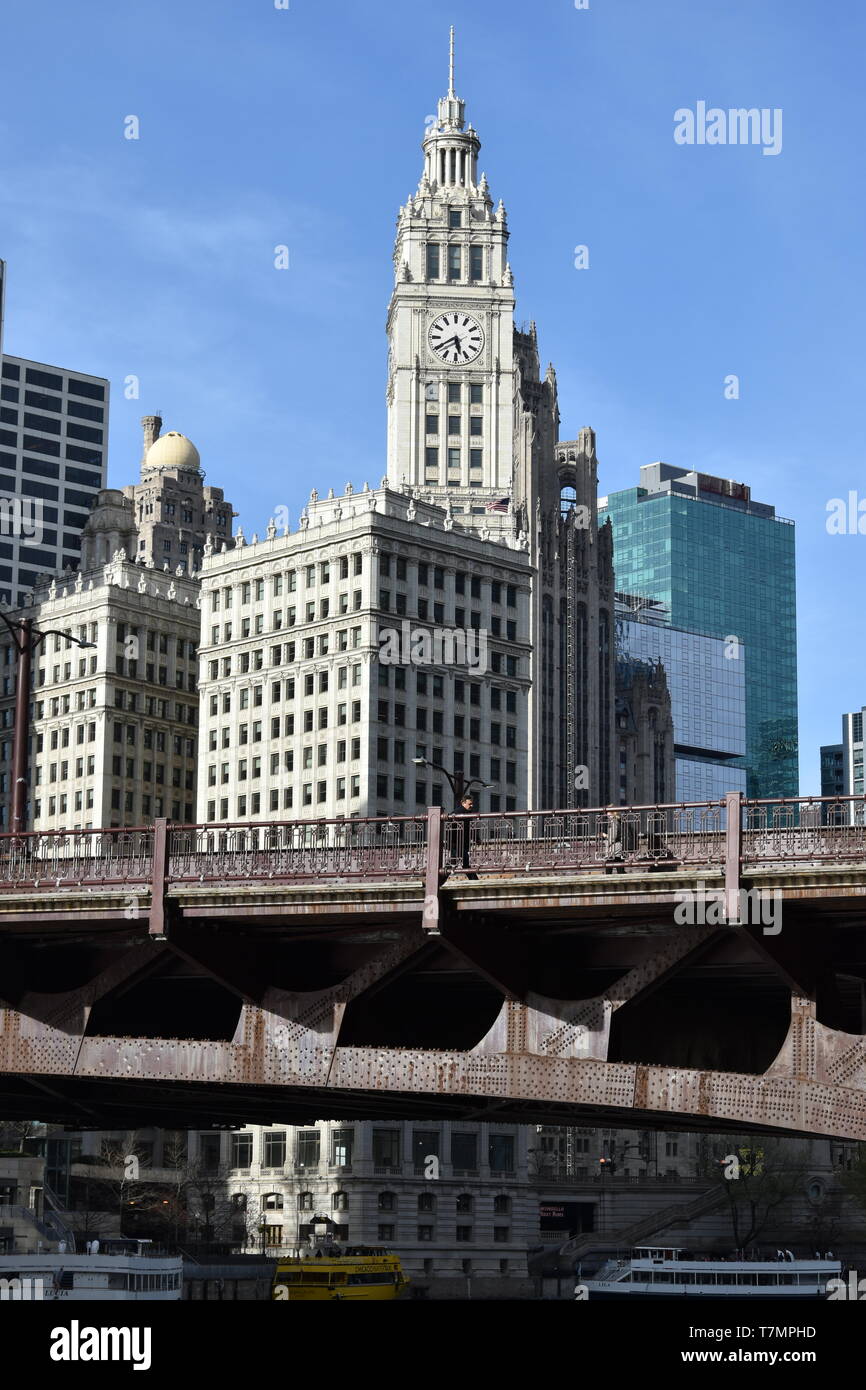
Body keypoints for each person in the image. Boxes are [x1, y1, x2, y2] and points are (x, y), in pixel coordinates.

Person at [455, 792, 478, 880]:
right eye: (469, 804)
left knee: (453, 863)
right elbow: (451, 828)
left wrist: (476, 837)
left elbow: (470, 828)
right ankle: (475, 881)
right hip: (458, 843)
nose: (471, 805)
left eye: (472, 803)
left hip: (461, 843)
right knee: (463, 863)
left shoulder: (467, 812)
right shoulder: (458, 813)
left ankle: (439, 879)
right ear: (463, 803)